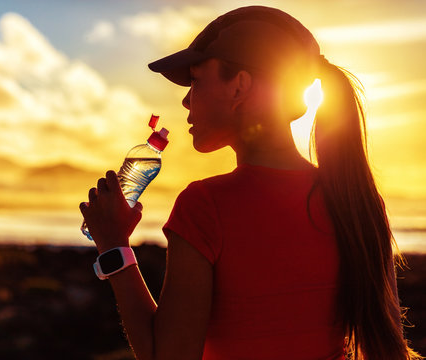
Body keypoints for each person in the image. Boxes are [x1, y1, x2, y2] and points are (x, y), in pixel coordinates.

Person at [80, 6, 422, 360]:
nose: (185, 99)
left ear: (240, 85)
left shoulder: (206, 205)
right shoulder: (358, 201)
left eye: (196, 80)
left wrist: (114, 247)